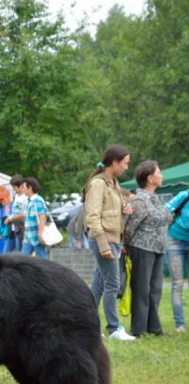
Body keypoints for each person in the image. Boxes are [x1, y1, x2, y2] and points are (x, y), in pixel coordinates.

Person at [83, 145, 136, 341]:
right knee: (113, 284)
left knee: (97, 285)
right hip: (103, 241)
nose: (126, 167)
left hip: (113, 240)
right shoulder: (98, 184)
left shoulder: (113, 183)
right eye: (125, 163)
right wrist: (104, 245)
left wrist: (125, 211)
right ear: (114, 162)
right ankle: (114, 328)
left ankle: (86, 326)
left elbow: (110, 212)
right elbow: (93, 216)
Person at [123, 161, 171, 336]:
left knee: (155, 290)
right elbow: (130, 227)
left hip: (158, 248)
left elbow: (166, 217)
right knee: (142, 290)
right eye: (159, 172)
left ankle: (153, 327)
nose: (162, 175)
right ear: (150, 178)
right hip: (142, 248)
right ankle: (138, 329)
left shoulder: (155, 198)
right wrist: (125, 245)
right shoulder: (140, 200)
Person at [164, 188, 189, 333]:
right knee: (177, 284)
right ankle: (180, 325)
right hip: (175, 241)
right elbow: (164, 211)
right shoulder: (184, 195)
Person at [20, 177, 48, 258]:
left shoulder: (38, 201)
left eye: (24, 187)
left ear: (30, 188)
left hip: (36, 237)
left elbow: (42, 218)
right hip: (28, 237)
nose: (23, 189)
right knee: (22, 260)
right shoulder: (28, 201)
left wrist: (40, 234)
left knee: (42, 260)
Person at [2, 175, 27, 253]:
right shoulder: (16, 196)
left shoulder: (25, 197)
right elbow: (14, 212)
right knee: (5, 253)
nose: (13, 189)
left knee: (20, 253)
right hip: (12, 228)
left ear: (20, 186)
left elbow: (24, 214)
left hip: (21, 229)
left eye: (14, 187)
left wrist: (10, 218)